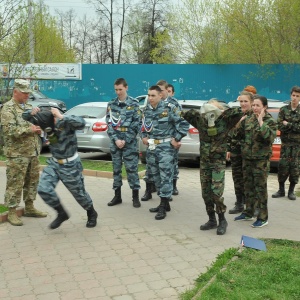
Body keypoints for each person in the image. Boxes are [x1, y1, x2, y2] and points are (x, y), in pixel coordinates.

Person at [23, 107, 98, 229]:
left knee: (80, 195)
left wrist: (61, 116)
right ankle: (61, 213)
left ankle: (91, 212)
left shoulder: (65, 123)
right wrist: (31, 112)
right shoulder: (42, 120)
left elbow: (82, 123)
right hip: (54, 163)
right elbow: (25, 117)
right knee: (43, 188)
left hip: (71, 165)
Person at [182, 99, 244, 235]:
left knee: (216, 193)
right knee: (206, 194)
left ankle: (222, 220)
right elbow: (186, 113)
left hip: (218, 164)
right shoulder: (201, 121)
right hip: (204, 163)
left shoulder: (225, 121)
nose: (210, 113)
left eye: (212, 109)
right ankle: (211, 219)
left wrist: (221, 111)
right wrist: (203, 111)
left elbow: (239, 112)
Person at [0, 79, 47, 226]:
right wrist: (30, 129)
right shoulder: (8, 109)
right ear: (15, 92)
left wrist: (38, 127)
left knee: (32, 181)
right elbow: (9, 131)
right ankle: (12, 211)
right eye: (24, 92)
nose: (27, 95)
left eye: (28, 93)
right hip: (17, 154)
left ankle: (29, 206)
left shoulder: (28, 106)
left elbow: (32, 124)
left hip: (32, 151)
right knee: (15, 182)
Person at [141, 85, 189, 220]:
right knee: (155, 177)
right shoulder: (146, 110)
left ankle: (163, 206)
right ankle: (165, 202)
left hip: (166, 148)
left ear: (160, 96)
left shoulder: (169, 109)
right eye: (149, 95)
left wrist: (177, 138)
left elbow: (184, 123)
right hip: (151, 148)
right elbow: (142, 126)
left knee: (166, 177)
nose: (150, 98)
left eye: (153, 95)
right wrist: (143, 136)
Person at [235, 95, 276, 227]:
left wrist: (260, 121)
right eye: (253, 105)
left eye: (258, 105)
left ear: (264, 107)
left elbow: (268, 137)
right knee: (248, 187)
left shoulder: (269, 121)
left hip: (261, 160)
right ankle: (248, 212)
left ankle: (263, 217)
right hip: (247, 158)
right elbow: (237, 135)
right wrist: (239, 123)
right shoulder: (248, 119)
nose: (255, 108)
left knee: (260, 189)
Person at [106, 78, 141, 208]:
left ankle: (135, 197)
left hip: (129, 143)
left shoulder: (134, 104)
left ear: (126, 88)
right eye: (116, 89)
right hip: (115, 142)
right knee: (116, 169)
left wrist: (125, 140)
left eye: (120, 89)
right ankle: (117, 196)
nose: (118, 92)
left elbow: (136, 124)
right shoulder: (111, 104)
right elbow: (109, 124)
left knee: (132, 169)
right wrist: (116, 140)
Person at [227, 91, 254, 214]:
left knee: (248, 179)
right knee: (237, 178)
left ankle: (251, 205)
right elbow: (229, 133)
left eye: (245, 101)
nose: (243, 104)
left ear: (251, 102)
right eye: (241, 101)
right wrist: (228, 148)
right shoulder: (236, 114)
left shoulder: (254, 115)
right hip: (236, 152)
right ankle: (239, 203)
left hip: (249, 153)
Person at [272, 86, 300, 200]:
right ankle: (281, 190)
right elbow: (279, 125)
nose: (295, 98)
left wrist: (287, 124)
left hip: (297, 146)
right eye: (293, 95)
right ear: (290, 95)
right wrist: (293, 127)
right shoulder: (284, 109)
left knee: (295, 168)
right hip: (285, 144)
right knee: (283, 166)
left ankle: (291, 191)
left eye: (297, 96)